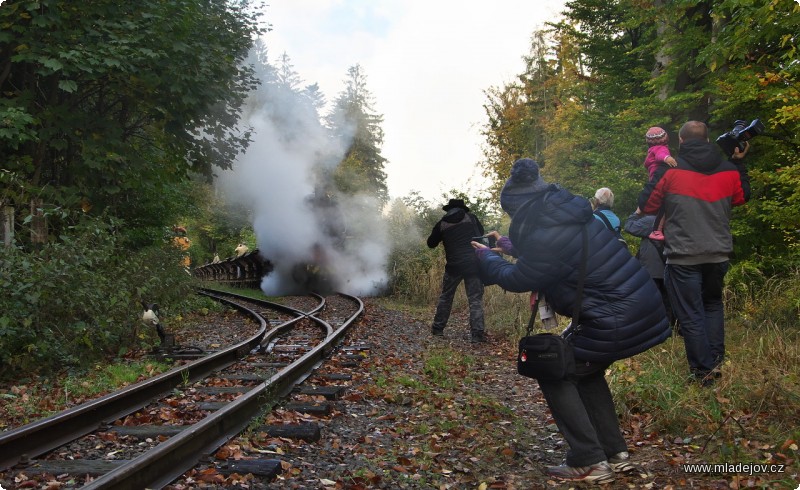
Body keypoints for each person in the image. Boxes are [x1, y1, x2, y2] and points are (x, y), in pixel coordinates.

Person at [473, 158, 670, 484]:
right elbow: (552, 254)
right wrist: (506, 245)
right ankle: (614, 453)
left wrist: (486, 257)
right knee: (586, 372)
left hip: (615, 317)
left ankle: (589, 460)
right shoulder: (566, 214)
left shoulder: (545, 233)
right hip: (634, 307)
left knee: (555, 370)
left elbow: (519, 277)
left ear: (522, 208)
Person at [641, 120, 751, 386]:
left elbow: (646, 206)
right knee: (712, 305)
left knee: (690, 314)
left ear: (680, 141)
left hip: (683, 256)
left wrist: (656, 173)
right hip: (718, 254)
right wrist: (737, 162)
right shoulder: (728, 170)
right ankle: (714, 361)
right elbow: (741, 197)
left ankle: (703, 373)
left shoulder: (670, 172)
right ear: (709, 140)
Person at [427, 198, 487, 343]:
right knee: (475, 300)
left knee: (446, 297)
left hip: (453, 267)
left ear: (449, 209)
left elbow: (430, 243)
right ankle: (477, 335)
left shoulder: (442, 223)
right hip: (473, 265)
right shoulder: (471, 218)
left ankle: (438, 329)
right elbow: (481, 233)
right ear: (462, 208)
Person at [624, 212, 676, 329]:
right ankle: (668, 327)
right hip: (671, 265)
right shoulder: (674, 218)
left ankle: (652, 327)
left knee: (651, 300)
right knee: (667, 300)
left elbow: (629, 226)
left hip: (652, 268)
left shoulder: (650, 221)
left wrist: (637, 212)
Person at [642, 127, 678, 241]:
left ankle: (657, 228)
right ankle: (657, 231)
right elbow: (660, 155)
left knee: (660, 205)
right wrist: (667, 158)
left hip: (653, 178)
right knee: (664, 205)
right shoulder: (661, 148)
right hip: (660, 178)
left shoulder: (651, 150)